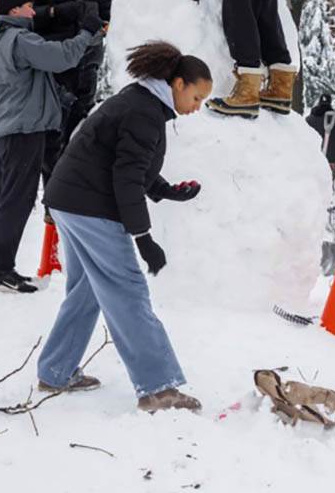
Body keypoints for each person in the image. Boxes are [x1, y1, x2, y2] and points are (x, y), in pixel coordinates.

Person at [36, 41, 212, 413]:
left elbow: (129, 165)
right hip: (88, 205)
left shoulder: (141, 103)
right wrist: (144, 238)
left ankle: (55, 370)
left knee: (87, 290)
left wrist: (166, 191)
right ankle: (158, 387)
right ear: (178, 84)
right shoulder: (145, 112)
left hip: (69, 201)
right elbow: (125, 177)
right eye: (197, 97)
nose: (197, 108)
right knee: (127, 289)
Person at [0, 0, 102, 294]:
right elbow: (61, 58)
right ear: (15, 10)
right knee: (16, 199)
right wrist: (87, 33)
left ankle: (2, 268)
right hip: (22, 130)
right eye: (29, 6)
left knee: (9, 198)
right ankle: (3, 271)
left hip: (8, 129)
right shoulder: (20, 38)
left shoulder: (0, 42)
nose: (34, 11)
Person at [22, 0, 113, 187]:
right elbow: (24, 13)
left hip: (90, 56)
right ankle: (52, 195)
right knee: (54, 128)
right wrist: (56, 11)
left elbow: (104, 2)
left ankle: (77, 187)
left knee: (83, 123)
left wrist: (104, 24)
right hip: (57, 59)